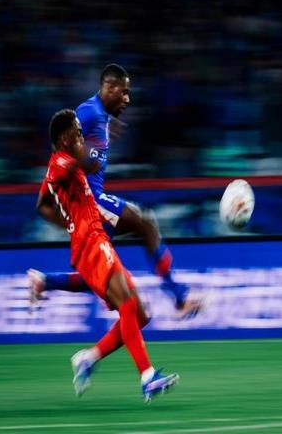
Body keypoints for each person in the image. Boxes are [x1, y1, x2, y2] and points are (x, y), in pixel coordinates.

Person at [29, 63, 201, 319]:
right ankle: (179, 296)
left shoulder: (100, 117)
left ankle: (45, 281)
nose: (127, 99)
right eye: (124, 92)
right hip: (90, 199)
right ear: (109, 88)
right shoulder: (88, 113)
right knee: (146, 223)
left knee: (101, 275)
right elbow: (62, 149)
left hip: (89, 202)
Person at [36, 108, 178, 402]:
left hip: (95, 238)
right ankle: (148, 377)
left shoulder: (63, 163)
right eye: (76, 131)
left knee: (141, 314)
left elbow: (43, 203)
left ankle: (88, 358)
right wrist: (101, 141)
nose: (80, 134)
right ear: (63, 138)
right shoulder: (60, 161)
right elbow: (88, 163)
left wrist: (68, 222)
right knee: (126, 301)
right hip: (90, 242)